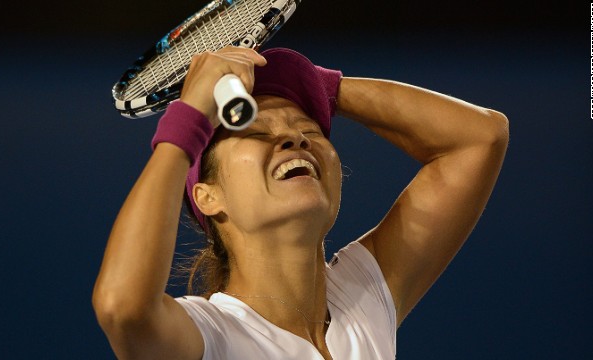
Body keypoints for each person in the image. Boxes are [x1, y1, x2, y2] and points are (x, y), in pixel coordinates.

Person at [92, 47, 509, 359]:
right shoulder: (211, 338)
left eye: (309, 128)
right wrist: (189, 116)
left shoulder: (362, 301)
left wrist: (324, 86)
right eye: (255, 132)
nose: (295, 139)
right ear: (208, 196)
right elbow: (121, 307)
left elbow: (479, 138)